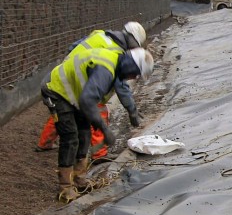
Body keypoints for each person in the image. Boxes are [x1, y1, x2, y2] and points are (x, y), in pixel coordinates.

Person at [41, 46, 154, 204]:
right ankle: (65, 187)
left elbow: (121, 90)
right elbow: (87, 101)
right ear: (131, 65)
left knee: (84, 133)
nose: (134, 77)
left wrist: (132, 110)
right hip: (57, 91)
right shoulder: (106, 69)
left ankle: (79, 179)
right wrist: (104, 128)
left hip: (74, 95)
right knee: (70, 137)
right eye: (135, 73)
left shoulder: (117, 65)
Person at [36, 22, 147, 155]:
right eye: (135, 45)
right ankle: (99, 154)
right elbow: (121, 85)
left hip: (68, 73)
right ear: (131, 39)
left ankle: (45, 143)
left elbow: (73, 46)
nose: (134, 50)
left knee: (63, 108)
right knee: (99, 110)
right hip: (86, 78)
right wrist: (131, 109)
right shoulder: (116, 54)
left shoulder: (100, 34)